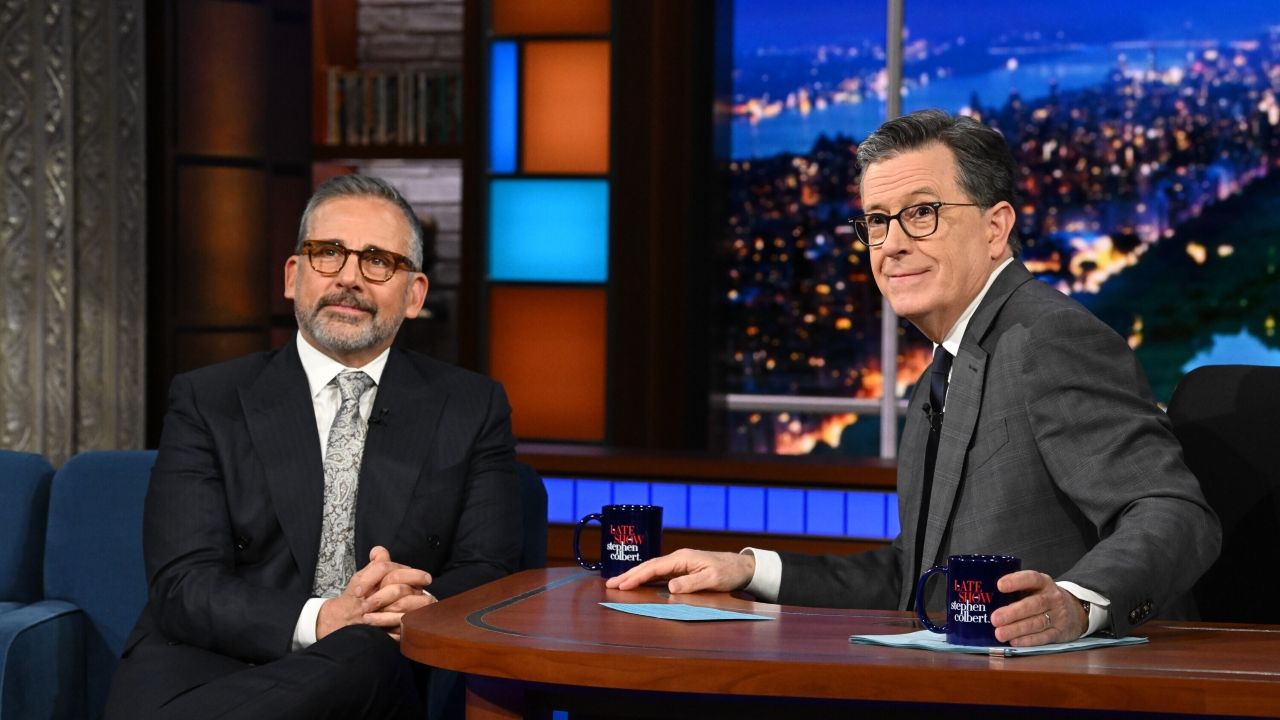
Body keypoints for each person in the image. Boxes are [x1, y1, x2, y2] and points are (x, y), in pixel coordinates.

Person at [609, 109, 1221, 647]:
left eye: (922, 213)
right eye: (877, 220)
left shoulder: (1047, 338)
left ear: (995, 227)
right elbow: (916, 580)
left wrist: (1078, 604)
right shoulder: (945, 367)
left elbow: (1173, 512)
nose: (892, 244)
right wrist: (750, 569)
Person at [106, 175, 521, 718]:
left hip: (373, 668)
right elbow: (184, 585)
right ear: (292, 275)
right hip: (208, 663)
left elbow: (490, 568)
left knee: (367, 651)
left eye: (378, 261)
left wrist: (419, 602)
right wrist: (323, 619)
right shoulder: (209, 400)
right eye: (328, 253)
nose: (349, 278)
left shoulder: (471, 407)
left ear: (415, 295)